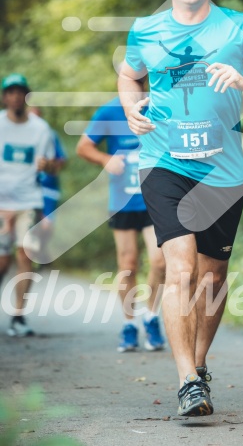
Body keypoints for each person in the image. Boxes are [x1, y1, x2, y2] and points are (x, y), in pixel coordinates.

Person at [118, 0, 243, 416]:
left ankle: (199, 367)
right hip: (164, 162)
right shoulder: (146, 30)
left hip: (223, 168)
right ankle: (186, 381)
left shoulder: (238, 26)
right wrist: (130, 106)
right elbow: (127, 75)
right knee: (180, 269)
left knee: (213, 277)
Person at [76, 96, 166, 352]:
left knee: (160, 261)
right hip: (123, 200)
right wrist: (105, 159)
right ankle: (129, 324)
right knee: (127, 265)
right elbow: (83, 147)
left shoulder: (159, 104)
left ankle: (151, 317)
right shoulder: (109, 111)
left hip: (155, 198)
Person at [0, 73, 55, 336]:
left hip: (29, 201)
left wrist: (49, 165)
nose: (15, 97)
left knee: (26, 255)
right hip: (1, 204)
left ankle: (18, 316)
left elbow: (54, 166)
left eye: (20, 92)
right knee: (2, 260)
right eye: (10, 92)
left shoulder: (40, 128)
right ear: (4, 97)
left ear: (26, 96)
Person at [29, 107, 67, 264]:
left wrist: (49, 167)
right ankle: (29, 254)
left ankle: (41, 249)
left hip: (49, 188)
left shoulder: (50, 135)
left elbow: (62, 160)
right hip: (27, 188)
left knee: (47, 225)